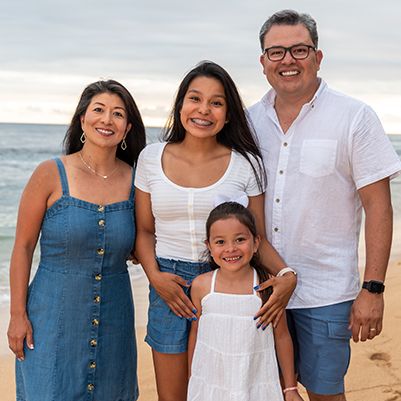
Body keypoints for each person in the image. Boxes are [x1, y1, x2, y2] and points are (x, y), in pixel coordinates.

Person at [246, 9, 401, 401]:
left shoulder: (354, 117)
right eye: (276, 52)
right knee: (262, 390)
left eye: (299, 49)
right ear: (263, 62)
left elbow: (379, 207)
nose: (288, 61)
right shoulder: (246, 122)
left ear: (318, 56)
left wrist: (374, 288)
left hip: (325, 293)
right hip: (257, 287)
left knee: (324, 394)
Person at [134, 60, 296, 401]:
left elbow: (257, 239)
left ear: (227, 113)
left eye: (216, 102)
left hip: (228, 282)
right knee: (176, 395)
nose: (203, 110)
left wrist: (285, 274)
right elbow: (145, 231)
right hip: (169, 286)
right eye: (195, 98)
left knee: (230, 389)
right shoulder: (150, 158)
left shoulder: (245, 164)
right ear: (180, 105)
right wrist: (156, 278)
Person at [7, 79, 146, 401]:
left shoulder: (137, 181)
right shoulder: (50, 173)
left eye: (118, 114)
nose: (107, 120)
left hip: (116, 318)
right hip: (51, 316)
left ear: (127, 129)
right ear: (82, 119)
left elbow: (144, 240)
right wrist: (17, 315)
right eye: (98, 110)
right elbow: (23, 247)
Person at [187, 197, 303, 401]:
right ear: (209, 246)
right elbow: (196, 335)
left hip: (255, 382)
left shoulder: (267, 287)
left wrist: (290, 388)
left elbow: (282, 336)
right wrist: (193, 377)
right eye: (220, 242)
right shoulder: (201, 286)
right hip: (212, 383)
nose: (231, 248)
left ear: (256, 242)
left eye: (240, 239)